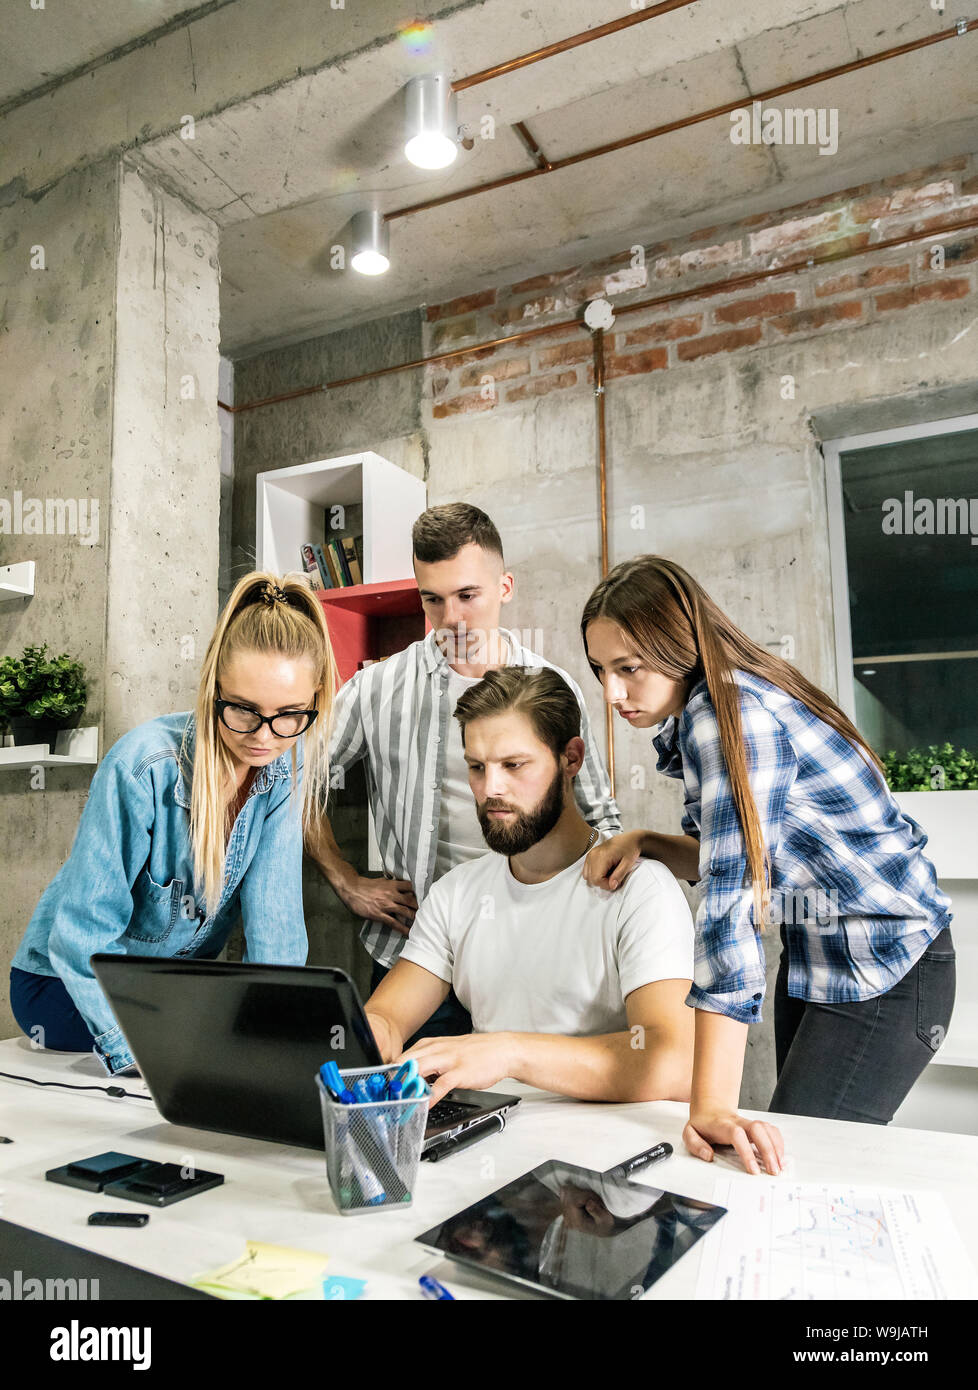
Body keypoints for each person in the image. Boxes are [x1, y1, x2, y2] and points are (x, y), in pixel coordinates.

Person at [581, 555, 955, 1176]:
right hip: (820, 959)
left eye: (629, 668)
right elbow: (734, 855)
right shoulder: (719, 700)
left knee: (799, 1171)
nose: (612, 693)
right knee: (790, 1156)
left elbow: (733, 902)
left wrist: (708, 1105)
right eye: (601, 670)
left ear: (680, 645)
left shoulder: (730, 714)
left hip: (888, 971)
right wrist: (646, 841)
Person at [308, 503, 621, 1042]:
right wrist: (346, 880)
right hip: (413, 954)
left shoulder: (553, 688)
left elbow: (598, 818)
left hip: (529, 955)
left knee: (532, 1109)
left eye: (468, 595)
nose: (451, 618)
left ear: (505, 586)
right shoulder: (378, 688)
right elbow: (291, 781)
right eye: (433, 598)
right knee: (414, 1112)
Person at [9, 572, 338, 1075]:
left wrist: (282, 1037)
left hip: (170, 986)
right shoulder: (143, 767)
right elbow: (82, 937)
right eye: (244, 711)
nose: (265, 737)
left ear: (315, 701)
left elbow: (278, 935)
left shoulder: (281, 778)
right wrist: (135, 1054)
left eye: (290, 715)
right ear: (213, 689)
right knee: (203, 1054)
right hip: (65, 984)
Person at [363, 665, 695, 1104]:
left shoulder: (640, 889)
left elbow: (674, 1063)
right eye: (477, 767)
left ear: (571, 758)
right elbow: (387, 1015)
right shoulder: (456, 893)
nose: (490, 789)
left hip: (607, 1157)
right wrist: (371, 1033)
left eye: (513, 765)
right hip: (490, 1145)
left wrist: (510, 1052)